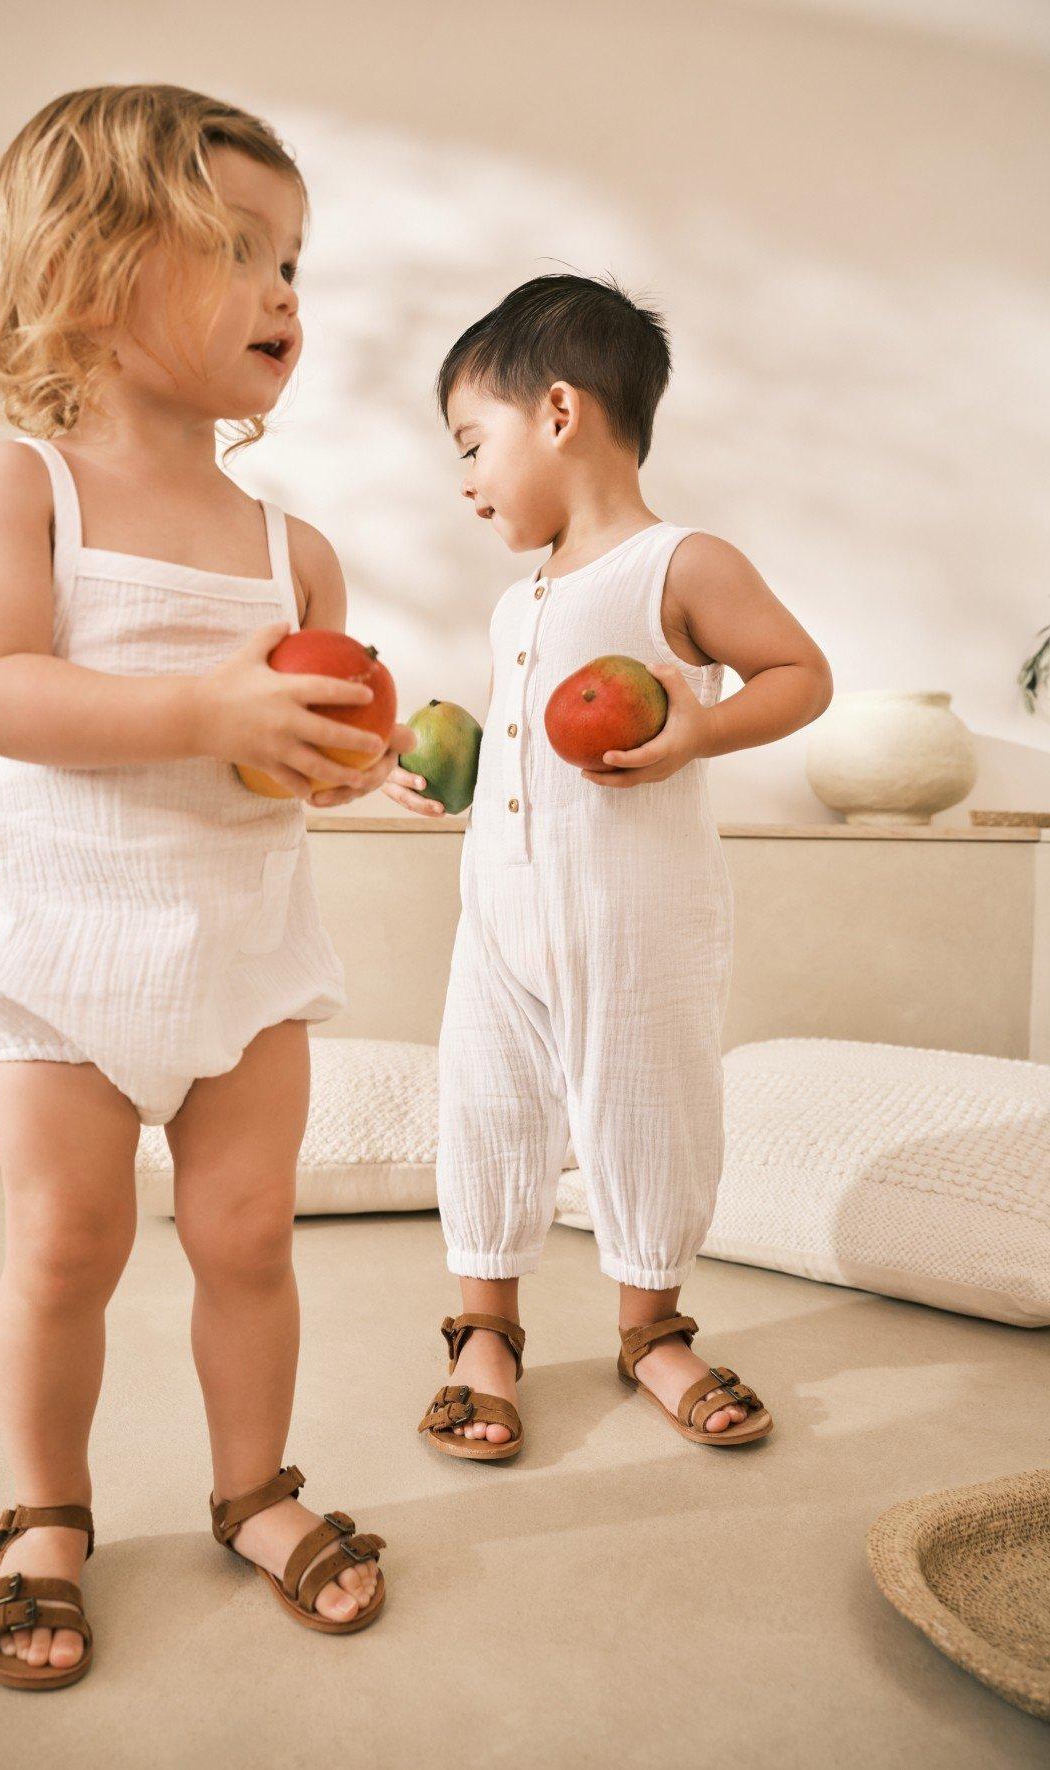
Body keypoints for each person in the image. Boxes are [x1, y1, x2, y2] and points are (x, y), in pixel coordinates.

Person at [0, 85, 409, 1686]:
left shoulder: (296, 551)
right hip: (65, 936)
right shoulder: (29, 489)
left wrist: (335, 761)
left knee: (247, 1234)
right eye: (239, 249)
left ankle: (250, 1487)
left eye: (296, 259)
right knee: (65, 1243)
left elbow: (301, 754)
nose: (287, 290)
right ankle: (48, 1512)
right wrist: (208, 707)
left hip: (241, 943)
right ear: (84, 266)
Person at [383, 273, 832, 1461]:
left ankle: (652, 1331)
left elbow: (800, 675)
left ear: (563, 414)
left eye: (474, 444)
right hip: (502, 915)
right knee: (485, 1108)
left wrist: (696, 731)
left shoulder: (681, 563)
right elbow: (525, 744)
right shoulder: (516, 600)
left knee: (646, 1107)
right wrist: (440, 772)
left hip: (635, 916)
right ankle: (484, 1332)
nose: (467, 481)